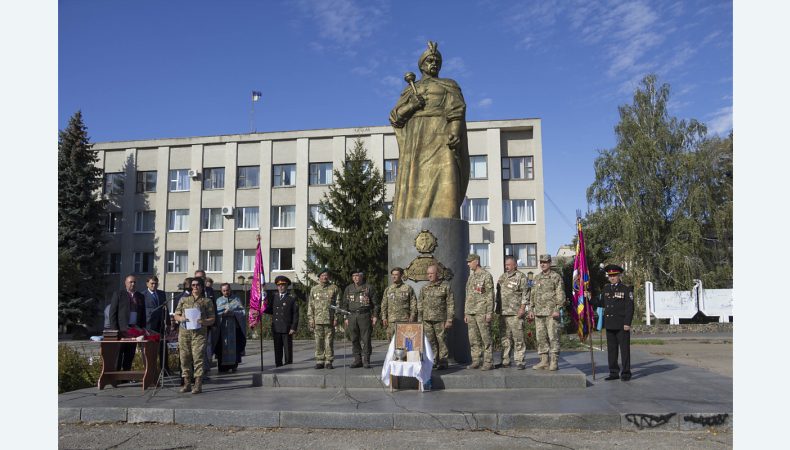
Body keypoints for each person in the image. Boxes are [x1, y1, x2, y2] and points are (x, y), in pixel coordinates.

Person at [388, 40, 470, 219]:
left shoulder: (449, 84)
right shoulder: (411, 89)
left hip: (441, 137)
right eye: (430, 61)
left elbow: (457, 110)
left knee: (446, 178)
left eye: (437, 62)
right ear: (421, 65)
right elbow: (395, 118)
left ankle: (446, 221)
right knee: (415, 182)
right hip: (416, 140)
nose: (434, 64)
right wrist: (411, 106)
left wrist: (455, 131)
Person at [591, 264, 634, 381]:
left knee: (624, 350)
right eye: (610, 276)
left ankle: (626, 373)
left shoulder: (626, 289)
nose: (612, 278)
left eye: (614, 275)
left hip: (621, 324)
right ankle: (614, 372)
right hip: (610, 324)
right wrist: (589, 298)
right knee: (612, 350)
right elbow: (600, 303)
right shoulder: (606, 289)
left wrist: (627, 323)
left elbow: (630, 308)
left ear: (619, 275)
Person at [173, 277, 215, 394]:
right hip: (184, 333)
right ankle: (187, 383)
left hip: (199, 334)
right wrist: (181, 318)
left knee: (198, 358)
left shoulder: (207, 301)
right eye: (193, 285)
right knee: (184, 358)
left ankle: (198, 384)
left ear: (202, 287)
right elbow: (176, 315)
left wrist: (204, 321)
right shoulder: (183, 300)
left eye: (197, 285)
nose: (195, 287)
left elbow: (212, 319)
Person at [528, 254, 565, 371]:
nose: (542, 264)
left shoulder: (556, 277)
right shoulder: (537, 277)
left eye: (545, 262)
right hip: (539, 313)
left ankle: (554, 362)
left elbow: (560, 293)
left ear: (550, 263)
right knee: (541, 338)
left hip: (551, 314)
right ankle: (544, 361)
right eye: (541, 262)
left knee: (553, 337)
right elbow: (532, 294)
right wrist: (531, 309)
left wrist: (557, 309)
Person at [419, 264, 454, 370]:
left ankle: (443, 361)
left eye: (431, 273)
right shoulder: (424, 288)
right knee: (430, 341)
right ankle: (433, 360)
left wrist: (449, 319)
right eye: (428, 273)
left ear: (437, 274)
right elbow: (420, 304)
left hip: (440, 319)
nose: (429, 275)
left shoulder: (445, 286)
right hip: (427, 320)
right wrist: (420, 319)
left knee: (441, 341)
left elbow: (450, 303)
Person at [496, 256, 529, 369]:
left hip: (515, 313)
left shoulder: (521, 277)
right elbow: (498, 295)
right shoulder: (502, 277)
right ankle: (505, 361)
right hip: (503, 313)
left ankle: (520, 361)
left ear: (515, 265)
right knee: (505, 338)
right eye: (506, 265)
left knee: (518, 338)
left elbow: (525, 293)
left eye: (509, 265)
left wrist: (522, 308)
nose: (507, 267)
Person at [108, 275, 147, 371]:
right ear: (125, 283)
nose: (133, 284)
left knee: (130, 355)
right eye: (131, 282)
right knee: (118, 354)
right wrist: (115, 330)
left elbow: (143, 314)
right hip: (121, 330)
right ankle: (116, 378)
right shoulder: (118, 294)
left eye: (134, 282)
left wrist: (142, 329)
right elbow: (112, 313)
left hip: (134, 330)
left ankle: (125, 378)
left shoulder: (140, 296)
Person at [341, 269, 378, 368]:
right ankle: (357, 360)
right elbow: (345, 304)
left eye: (357, 276)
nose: (356, 278)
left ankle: (366, 360)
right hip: (352, 316)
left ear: (362, 276)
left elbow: (375, 304)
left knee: (366, 339)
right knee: (354, 339)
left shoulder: (369, 288)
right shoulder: (348, 288)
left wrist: (374, 316)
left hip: (364, 315)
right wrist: (345, 317)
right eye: (354, 276)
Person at [464, 254, 494, 370]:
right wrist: (466, 312)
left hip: (482, 311)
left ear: (476, 261)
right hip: (471, 312)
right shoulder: (471, 277)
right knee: (473, 339)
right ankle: (476, 360)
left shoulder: (486, 275)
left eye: (469, 261)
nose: (468, 264)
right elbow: (468, 295)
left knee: (485, 338)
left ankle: (488, 362)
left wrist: (489, 313)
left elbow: (490, 295)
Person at [308, 268, 341, 369]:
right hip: (317, 320)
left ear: (329, 277)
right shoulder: (314, 289)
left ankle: (328, 361)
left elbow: (338, 304)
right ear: (319, 277)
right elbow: (310, 305)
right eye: (322, 275)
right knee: (318, 341)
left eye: (326, 275)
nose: (324, 277)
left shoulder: (334, 288)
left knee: (329, 341)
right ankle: (319, 360)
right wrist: (310, 319)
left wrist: (336, 318)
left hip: (329, 320)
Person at [266, 275, 299, 367]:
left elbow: (295, 314)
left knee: (287, 348)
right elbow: (270, 310)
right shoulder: (274, 297)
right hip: (276, 327)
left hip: (287, 328)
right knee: (277, 348)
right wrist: (262, 308)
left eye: (283, 285)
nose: (281, 287)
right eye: (279, 285)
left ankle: (288, 364)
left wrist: (293, 327)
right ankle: (278, 364)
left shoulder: (291, 298)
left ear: (287, 286)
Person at [214, 282, 247, 373]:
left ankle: (234, 365)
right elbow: (215, 313)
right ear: (221, 291)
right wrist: (222, 314)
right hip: (222, 328)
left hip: (234, 328)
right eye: (224, 291)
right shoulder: (218, 301)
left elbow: (243, 312)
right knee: (222, 347)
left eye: (227, 290)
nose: (226, 292)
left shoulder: (236, 299)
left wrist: (234, 313)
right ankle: (222, 367)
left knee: (235, 347)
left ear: (230, 289)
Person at [380, 267, 417, 342]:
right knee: (392, 343)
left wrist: (412, 316)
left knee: (405, 342)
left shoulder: (408, 288)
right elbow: (384, 304)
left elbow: (413, 304)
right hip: (391, 321)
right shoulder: (388, 289)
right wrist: (384, 317)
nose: (394, 276)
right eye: (392, 275)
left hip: (405, 320)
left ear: (401, 276)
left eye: (396, 274)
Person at [141, 276, 169, 372]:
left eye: (156, 283)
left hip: (160, 325)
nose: (154, 285)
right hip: (148, 326)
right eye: (152, 283)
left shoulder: (161, 294)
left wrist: (168, 323)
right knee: (149, 349)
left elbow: (166, 309)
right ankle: (149, 369)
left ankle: (164, 368)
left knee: (162, 347)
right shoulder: (142, 295)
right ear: (147, 283)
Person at [194, 269, 218, 375]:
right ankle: (199, 369)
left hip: (207, 322)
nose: (201, 279)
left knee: (207, 345)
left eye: (202, 277)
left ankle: (206, 367)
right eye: (198, 277)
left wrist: (214, 321)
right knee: (198, 346)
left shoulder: (209, 290)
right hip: (195, 323)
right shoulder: (192, 290)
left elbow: (214, 307)